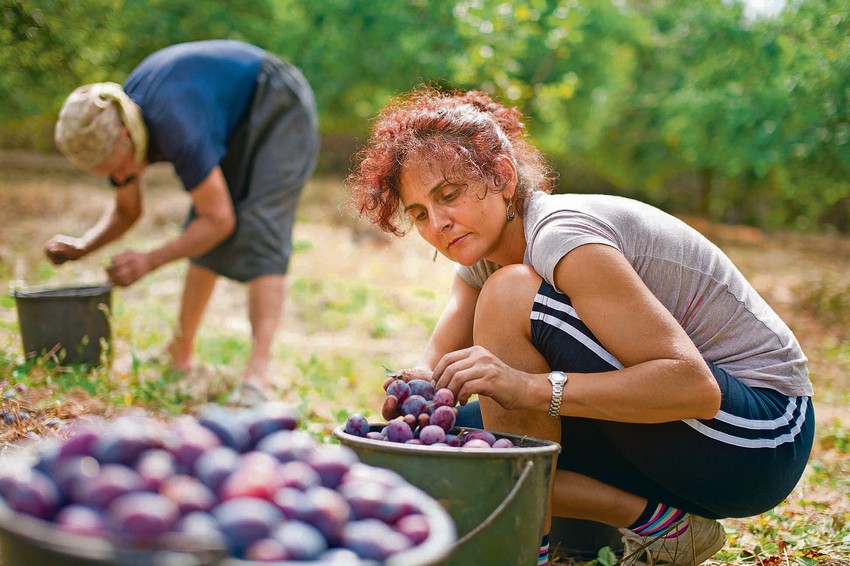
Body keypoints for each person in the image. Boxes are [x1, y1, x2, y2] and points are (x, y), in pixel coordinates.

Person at [345, 87, 814, 566]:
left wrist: (528, 388)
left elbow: (694, 388)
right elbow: (432, 368)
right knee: (448, 450)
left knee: (509, 303)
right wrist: (417, 394)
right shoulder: (481, 257)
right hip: (674, 440)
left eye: (449, 195)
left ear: (503, 176)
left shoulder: (561, 236)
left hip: (759, 438)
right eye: (420, 214)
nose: (438, 224)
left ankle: (531, 551)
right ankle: (650, 525)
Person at [47, 40, 319, 402]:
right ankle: (180, 352)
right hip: (231, 116)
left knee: (261, 227)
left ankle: (258, 375)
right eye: (110, 174)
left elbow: (219, 221)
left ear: (126, 136)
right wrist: (84, 246)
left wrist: (149, 260)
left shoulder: (177, 127)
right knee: (200, 225)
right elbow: (128, 210)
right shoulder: (114, 119)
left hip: (277, 102)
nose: (121, 177)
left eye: (120, 168)